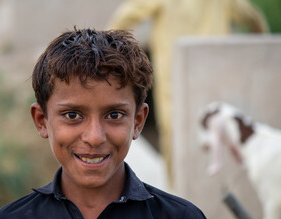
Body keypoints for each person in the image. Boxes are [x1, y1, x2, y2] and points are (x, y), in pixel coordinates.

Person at [0, 28, 214, 219]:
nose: (94, 137)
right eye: (72, 115)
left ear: (138, 121)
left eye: (114, 115)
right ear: (42, 120)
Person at [107, 0, 269, 186]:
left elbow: (126, 15)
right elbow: (252, 17)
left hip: (174, 73)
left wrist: (107, 50)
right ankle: (212, 189)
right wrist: (261, 47)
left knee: (173, 132)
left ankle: (176, 188)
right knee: (215, 133)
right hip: (215, 73)